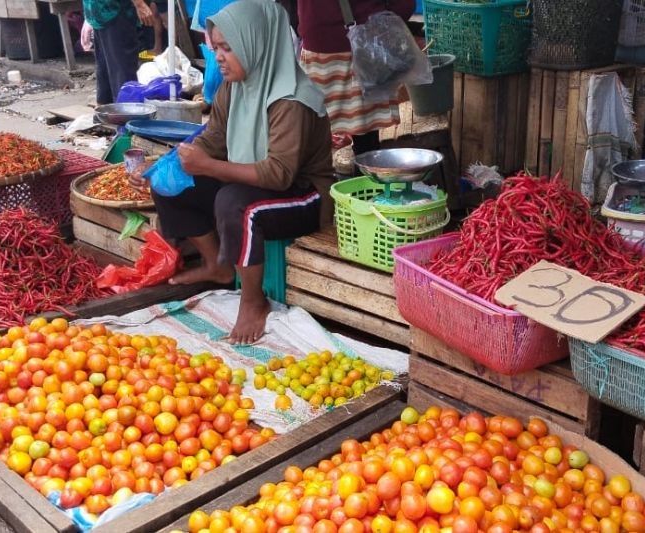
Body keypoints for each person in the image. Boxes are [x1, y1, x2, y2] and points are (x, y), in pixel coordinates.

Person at [130, 0, 334, 344]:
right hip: (256, 180)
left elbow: (279, 175)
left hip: (304, 194)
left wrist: (208, 166)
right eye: (216, 47)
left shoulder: (292, 98)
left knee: (236, 203)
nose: (218, 56)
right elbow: (212, 139)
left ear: (257, 45)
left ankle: (254, 300)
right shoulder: (234, 86)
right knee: (172, 185)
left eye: (228, 48)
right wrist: (163, 167)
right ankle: (218, 266)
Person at [294, 0, 415, 155]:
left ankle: (330, 176)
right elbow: (404, 5)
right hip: (365, 41)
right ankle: (366, 176)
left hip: (317, 44)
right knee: (366, 142)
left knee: (317, 134)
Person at [81, 0, 156, 104]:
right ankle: (127, 114)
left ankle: (106, 112)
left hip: (98, 10)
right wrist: (139, 4)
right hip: (114, 11)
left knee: (105, 68)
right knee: (122, 70)